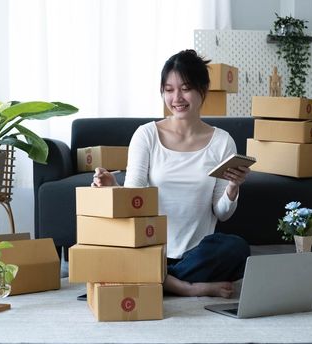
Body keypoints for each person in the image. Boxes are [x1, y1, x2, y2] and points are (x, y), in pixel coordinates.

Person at [92, 49, 251, 298]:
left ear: (203, 89)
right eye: (169, 89)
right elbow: (134, 200)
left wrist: (233, 187)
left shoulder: (222, 142)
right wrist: (114, 187)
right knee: (110, 250)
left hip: (197, 254)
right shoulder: (146, 135)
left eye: (185, 88)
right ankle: (185, 287)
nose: (177, 97)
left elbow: (222, 213)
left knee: (236, 249)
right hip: (149, 248)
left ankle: (159, 280)